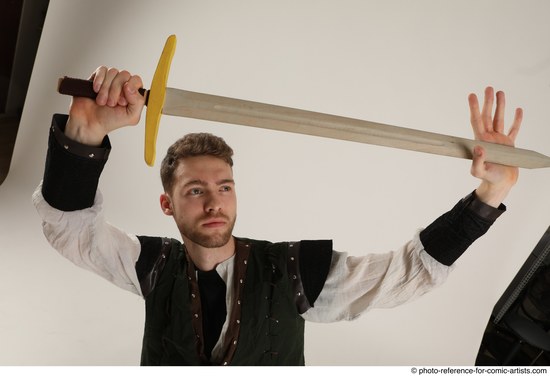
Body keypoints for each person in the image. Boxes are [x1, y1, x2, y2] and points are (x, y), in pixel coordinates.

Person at [33, 66, 523, 366]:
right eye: (196, 190)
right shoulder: (150, 265)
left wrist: (487, 196)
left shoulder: (293, 272)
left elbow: (405, 273)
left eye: (224, 187)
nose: (213, 202)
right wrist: (85, 134)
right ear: (167, 203)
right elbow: (69, 229)